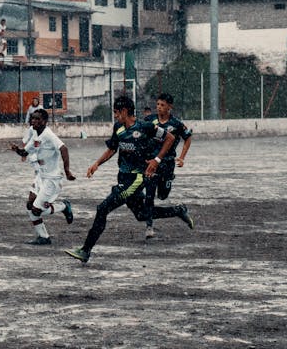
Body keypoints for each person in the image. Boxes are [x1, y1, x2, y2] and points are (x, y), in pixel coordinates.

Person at [64, 96, 194, 264]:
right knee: (141, 214)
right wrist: (97, 163)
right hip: (123, 177)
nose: (115, 116)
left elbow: (169, 138)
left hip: (136, 179)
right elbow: (112, 149)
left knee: (103, 208)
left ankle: (85, 250)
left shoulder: (146, 127)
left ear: (124, 111)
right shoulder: (118, 128)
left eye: (116, 112)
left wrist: (157, 160)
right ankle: (178, 210)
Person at [10, 108, 75, 245]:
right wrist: (17, 150)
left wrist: (67, 171)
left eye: (38, 119)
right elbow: (24, 153)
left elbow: (64, 148)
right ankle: (43, 237)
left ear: (45, 121)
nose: (34, 121)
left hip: (52, 178)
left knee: (36, 210)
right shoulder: (35, 134)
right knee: (30, 205)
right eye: (33, 118)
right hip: (41, 176)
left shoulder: (49, 135)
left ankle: (63, 207)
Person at [143, 93, 194, 239]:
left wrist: (182, 157)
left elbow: (188, 138)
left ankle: (178, 207)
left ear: (170, 107)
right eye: (158, 104)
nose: (159, 107)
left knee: (163, 196)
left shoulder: (176, 124)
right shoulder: (150, 120)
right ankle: (149, 226)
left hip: (167, 164)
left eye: (162, 105)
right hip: (151, 163)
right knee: (149, 194)